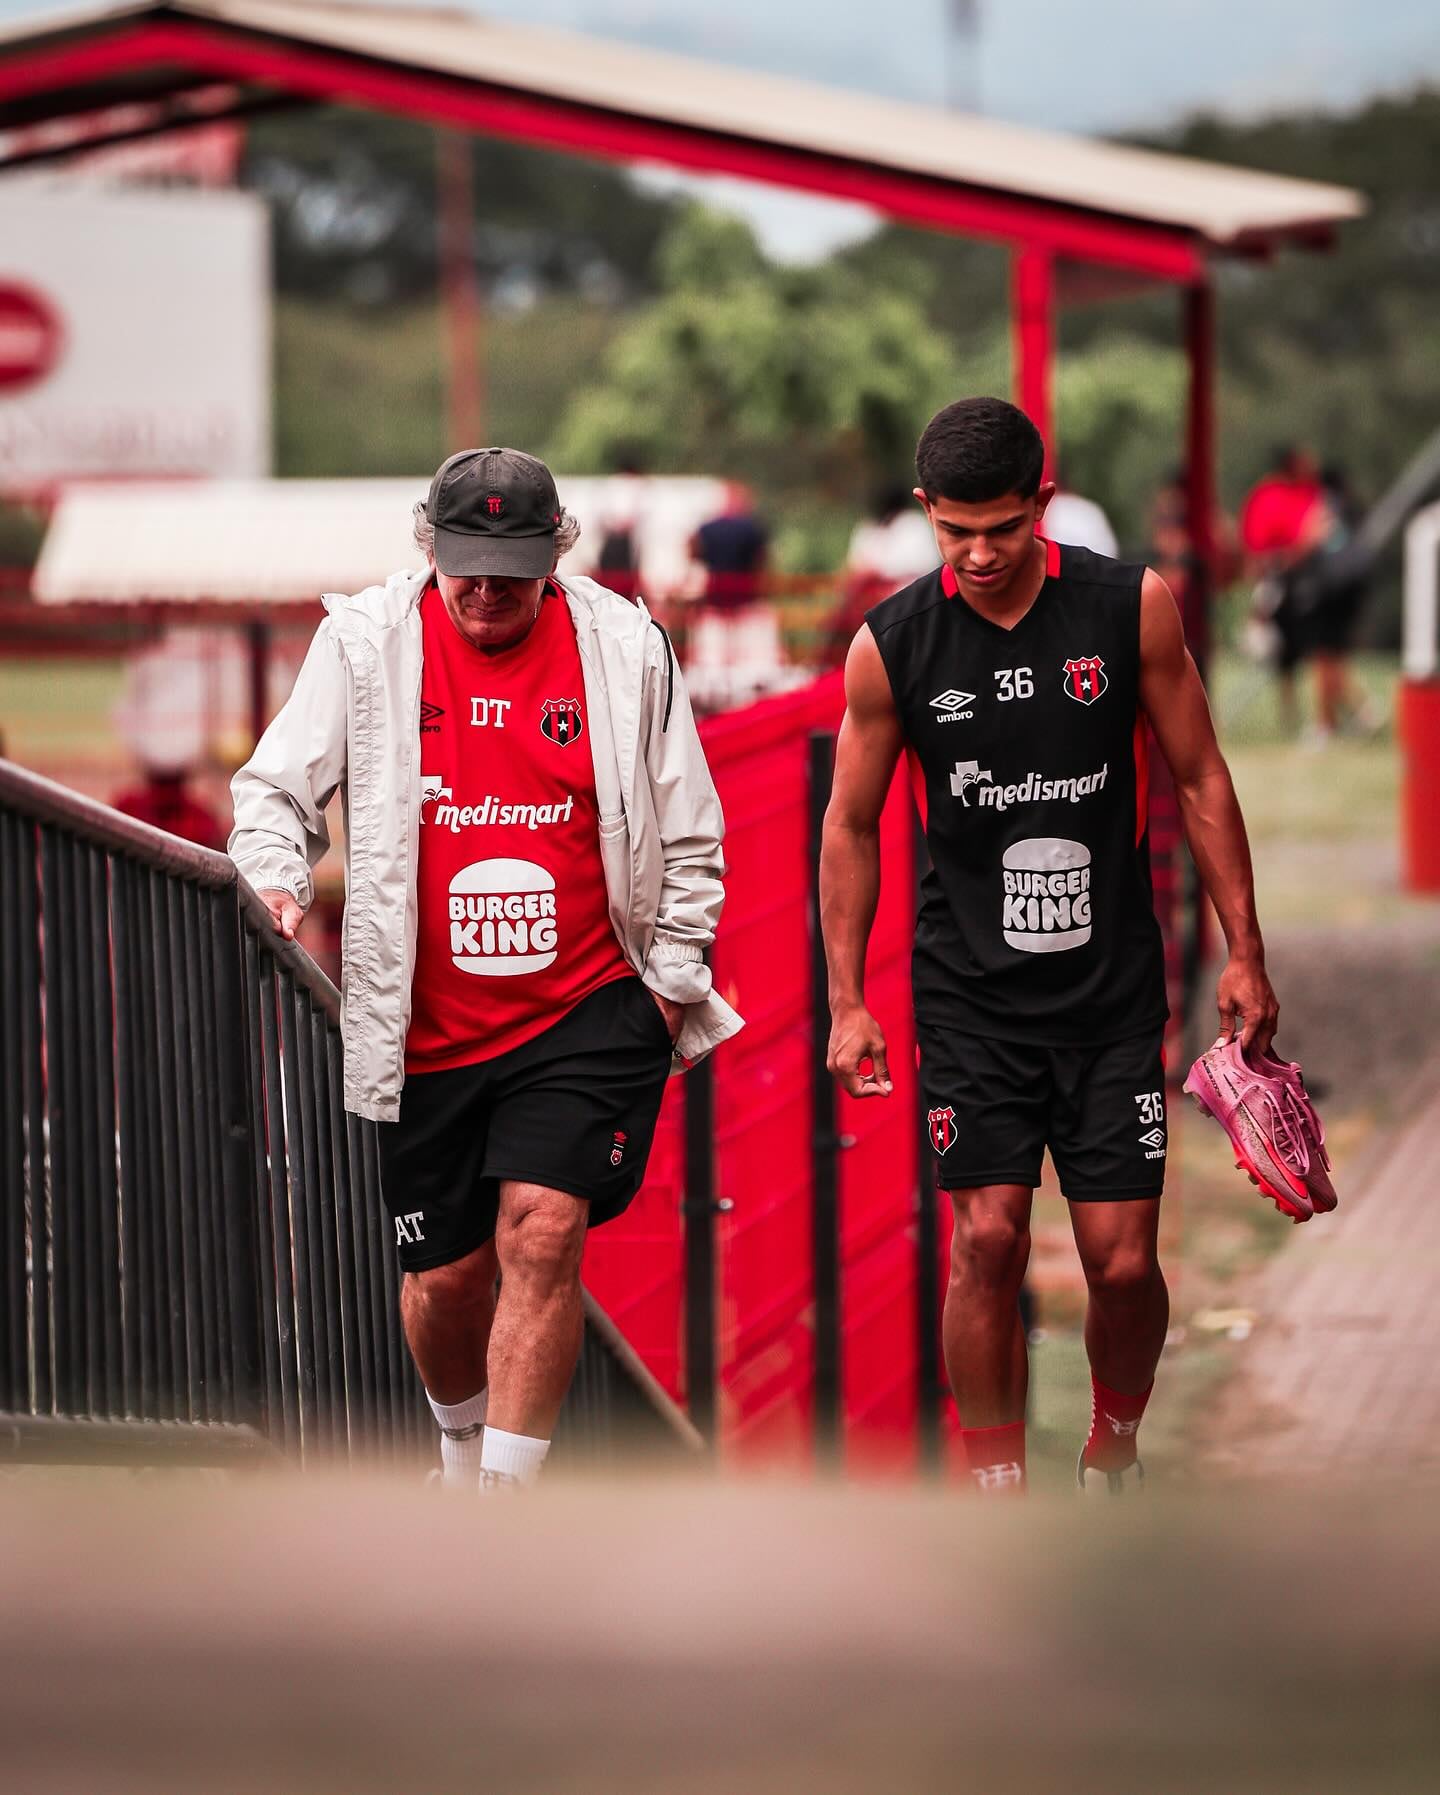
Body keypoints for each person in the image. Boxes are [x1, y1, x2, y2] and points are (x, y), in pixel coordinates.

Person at [230, 447, 742, 1490]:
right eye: (467, 561)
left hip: (589, 1006)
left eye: (512, 564)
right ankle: (460, 1452)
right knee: (446, 1279)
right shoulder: (365, 642)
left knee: (545, 1233)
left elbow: (690, 833)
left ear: (557, 552)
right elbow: (275, 791)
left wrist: (667, 981)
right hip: (427, 1028)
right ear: (429, 546)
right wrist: (278, 876)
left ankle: (506, 1513)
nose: (487, 588)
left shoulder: (623, 645)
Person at [820, 397, 1278, 1494]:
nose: (980, 554)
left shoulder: (1131, 608)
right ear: (927, 513)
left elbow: (1202, 775)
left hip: (1112, 991)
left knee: (1122, 1264)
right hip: (969, 996)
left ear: (1044, 501)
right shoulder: (892, 645)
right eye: (955, 530)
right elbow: (848, 821)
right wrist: (846, 998)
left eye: (1003, 528)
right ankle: (998, 1487)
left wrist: (1246, 952)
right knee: (986, 1246)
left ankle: (1112, 1446)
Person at [1238, 445, 1327, 733]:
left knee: (1320, 649)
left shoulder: (1311, 491)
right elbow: (1258, 546)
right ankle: (1292, 719)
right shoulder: (1269, 495)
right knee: (1286, 656)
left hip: (1312, 579)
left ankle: (1327, 718)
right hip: (1280, 581)